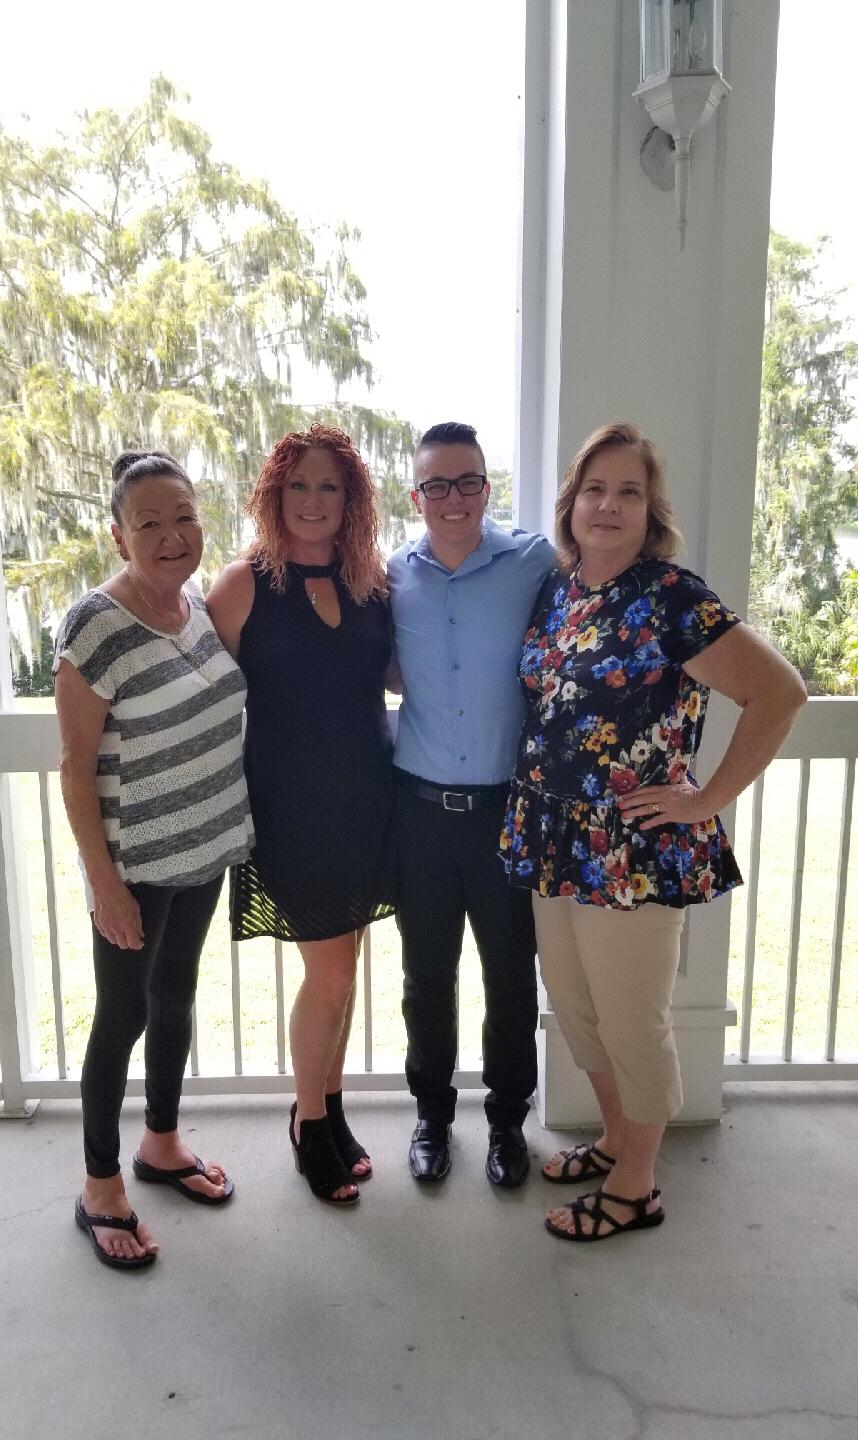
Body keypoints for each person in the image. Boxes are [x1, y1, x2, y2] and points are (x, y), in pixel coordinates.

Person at [501, 421, 806, 1241]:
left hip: (632, 851)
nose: (608, 505)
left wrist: (705, 799)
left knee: (635, 1020)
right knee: (577, 1009)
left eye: (628, 491)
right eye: (594, 489)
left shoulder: (674, 598)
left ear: (649, 509)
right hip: (554, 839)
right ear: (571, 504)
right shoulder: (560, 591)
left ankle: (637, 1186)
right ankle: (614, 1140)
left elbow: (780, 693)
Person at [54, 450, 253, 1271]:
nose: (172, 536)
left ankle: (161, 1145)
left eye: (184, 517)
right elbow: (73, 766)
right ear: (119, 534)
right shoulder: (95, 626)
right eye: (149, 523)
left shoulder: (196, 607)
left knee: (174, 998)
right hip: (136, 861)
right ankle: (100, 1186)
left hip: (204, 845)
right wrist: (105, 885)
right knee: (123, 1016)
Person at [207, 424, 396, 1206]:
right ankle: (309, 1124)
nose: (313, 501)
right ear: (273, 495)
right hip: (289, 806)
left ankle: (333, 1111)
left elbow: (398, 678)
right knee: (327, 973)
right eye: (298, 486)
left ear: (350, 499)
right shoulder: (242, 584)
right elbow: (200, 695)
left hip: (367, 799)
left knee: (344, 969)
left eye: (329, 486)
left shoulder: (371, 582)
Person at [387, 421, 555, 1187]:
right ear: (415, 494)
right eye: (436, 485)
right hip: (418, 814)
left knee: (511, 980)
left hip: (505, 813)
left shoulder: (534, 563)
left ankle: (507, 1126)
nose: (453, 499)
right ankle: (431, 1118)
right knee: (426, 979)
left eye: (468, 483)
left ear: (488, 487)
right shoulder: (391, 576)